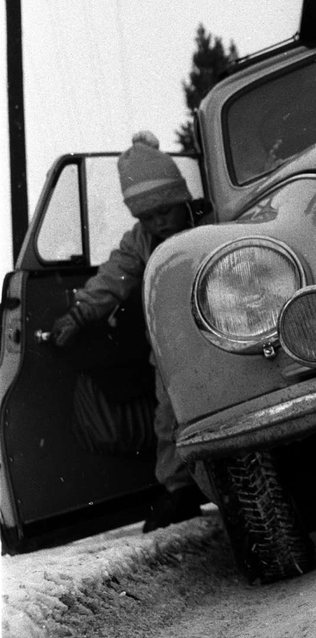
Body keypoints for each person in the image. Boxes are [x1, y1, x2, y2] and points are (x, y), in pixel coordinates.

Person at [51, 131, 207, 532]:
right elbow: (112, 278)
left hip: (222, 331)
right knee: (168, 416)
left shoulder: (212, 221)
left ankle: (305, 485)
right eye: (147, 217)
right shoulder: (140, 241)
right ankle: (180, 490)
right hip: (173, 344)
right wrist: (79, 314)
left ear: (181, 199)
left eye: (164, 212)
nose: (158, 222)